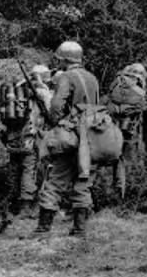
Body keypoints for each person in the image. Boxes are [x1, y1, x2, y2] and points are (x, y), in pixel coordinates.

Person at [36, 40, 103, 236]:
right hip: (91, 134)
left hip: (71, 135)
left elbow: (57, 107)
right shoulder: (92, 77)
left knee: (55, 179)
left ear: (65, 59)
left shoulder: (66, 77)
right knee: (83, 179)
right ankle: (80, 228)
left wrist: (55, 122)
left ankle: (43, 228)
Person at [2, 64, 51, 215]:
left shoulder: (17, 91)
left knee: (14, 168)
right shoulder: (42, 92)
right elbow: (50, 111)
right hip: (30, 137)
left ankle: (9, 204)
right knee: (29, 170)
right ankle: (25, 206)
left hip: (12, 137)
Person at [106, 62, 147, 199]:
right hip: (131, 130)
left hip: (114, 127)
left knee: (117, 159)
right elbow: (145, 107)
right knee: (130, 160)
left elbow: (108, 101)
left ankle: (116, 190)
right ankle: (130, 194)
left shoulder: (116, 84)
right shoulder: (139, 89)